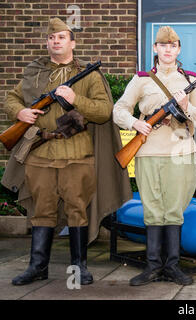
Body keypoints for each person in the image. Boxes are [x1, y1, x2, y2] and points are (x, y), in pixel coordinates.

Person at [3, 18, 131, 286]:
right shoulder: (35, 72)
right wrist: (20, 112)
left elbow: (104, 111)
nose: (56, 41)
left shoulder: (89, 73)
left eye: (62, 37)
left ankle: (79, 268)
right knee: (42, 211)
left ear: (72, 42)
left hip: (77, 155)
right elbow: (11, 97)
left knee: (77, 210)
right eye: (52, 38)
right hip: (40, 155)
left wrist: (76, 100)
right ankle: (37, 266)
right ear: (47, 42)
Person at [113, 26, 196, 287]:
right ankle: (153, 266)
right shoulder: (142, 79)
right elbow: (119, 109)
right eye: (162, 45)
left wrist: (187, 107)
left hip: (179, 151)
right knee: (153, 208)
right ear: (155, 49)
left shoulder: (190, 80)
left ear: (178, 49)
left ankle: (173, 266)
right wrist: (134, 124)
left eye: (173, 45)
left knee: (174, 209)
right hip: (149, 150)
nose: (167, 50)